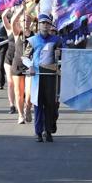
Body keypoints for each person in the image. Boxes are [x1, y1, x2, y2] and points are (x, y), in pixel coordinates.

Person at [25, 12, 62, 142]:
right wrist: (30, 66)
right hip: (37, 76)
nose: (45, 25)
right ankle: (38, 132)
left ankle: (48, 131)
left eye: (47, 23)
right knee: (38, 104)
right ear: (38, 25)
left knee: (50, 104)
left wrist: (59, 56)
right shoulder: (33, 40)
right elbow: (25, 57)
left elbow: (64, 57)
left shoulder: (57, 40)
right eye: (42, 23)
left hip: (51, 75)